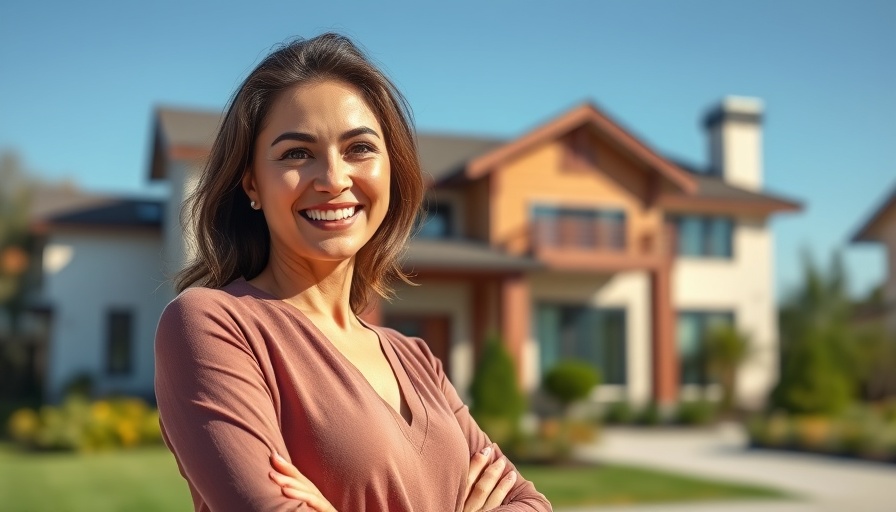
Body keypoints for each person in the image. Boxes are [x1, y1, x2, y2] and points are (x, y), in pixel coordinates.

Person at [154, 33, 552, 512]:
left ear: (391, 169)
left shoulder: (416, 359)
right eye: (297, 154)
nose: (334, 179)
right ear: (252, 184)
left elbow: (529, 503)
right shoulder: (212, 325)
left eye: (359, 148)